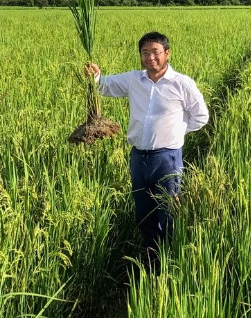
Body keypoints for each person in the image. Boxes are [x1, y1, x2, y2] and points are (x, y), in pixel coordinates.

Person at [86, 31, 209, 273]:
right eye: (145, 52)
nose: (150, 57)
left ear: (167, 54)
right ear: (140, 56)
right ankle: (151, 256)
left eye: (155, 52)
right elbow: (104, 87)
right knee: (143, 209)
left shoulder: (182, 83)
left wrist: (176, 133)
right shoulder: (134, 80)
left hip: (167, 158)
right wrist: (95, 75)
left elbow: (201, 116)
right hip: (138, 157)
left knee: (168, 209)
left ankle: (171, 257)